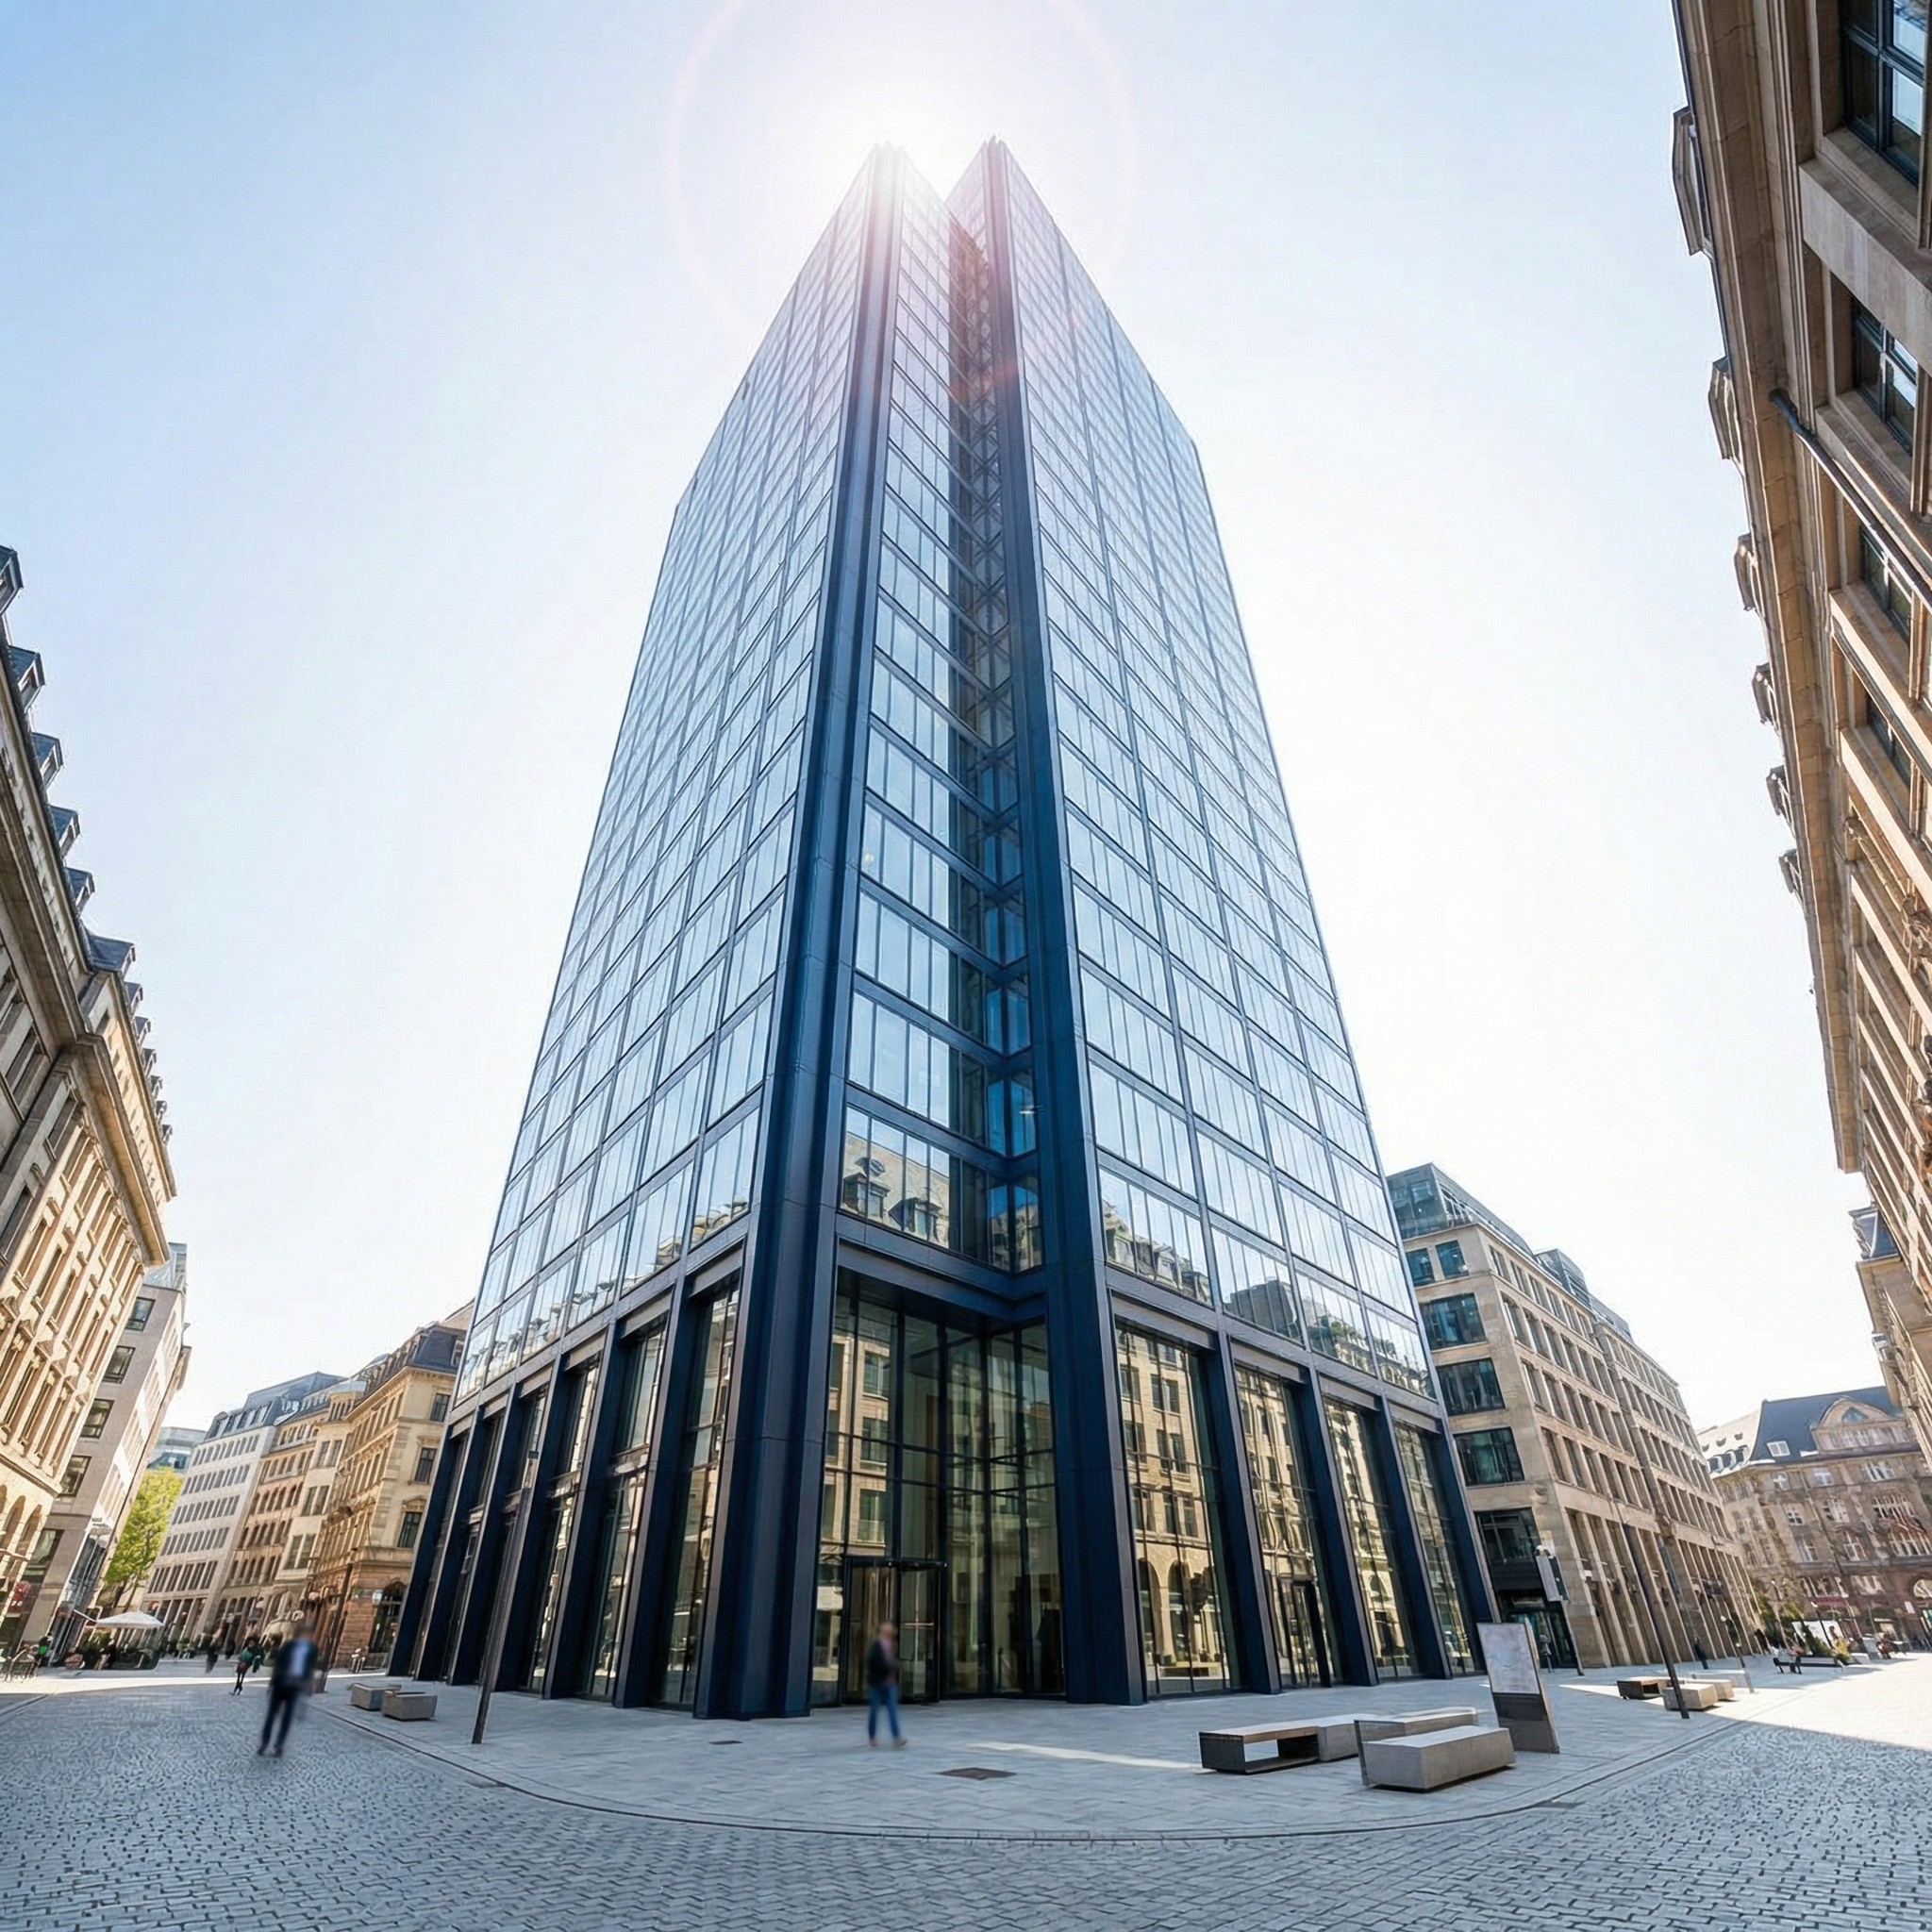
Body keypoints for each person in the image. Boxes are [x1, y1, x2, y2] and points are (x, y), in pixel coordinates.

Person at [258, 1622, 318, 1757]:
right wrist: (271, 1684)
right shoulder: (288, 1646)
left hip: (295, 1686)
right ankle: (264, 1743)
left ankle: (279, 1745)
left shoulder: (312, 1649)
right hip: (280, 1683)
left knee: (287, 1718)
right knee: (271, 1716)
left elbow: (310, 1668)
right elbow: (278, 1665)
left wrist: (309, 1685)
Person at [865, 1620, 904, 1749]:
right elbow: (872, 1662)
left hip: (890, 1683)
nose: (890, 1633)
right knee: (874, 1711)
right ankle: (872, 1736)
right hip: (877, 1683)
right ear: (883, 1632)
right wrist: (887, 1668)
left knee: (893, 1710)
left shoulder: (893, 1646)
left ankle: (896, 1737)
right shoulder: (876, 1646)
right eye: (888, 1631)